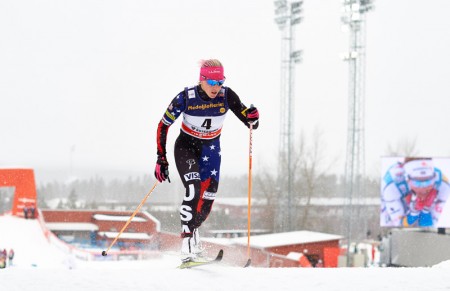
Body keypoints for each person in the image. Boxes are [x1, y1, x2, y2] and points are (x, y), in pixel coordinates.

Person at [154, 59, 259, 263]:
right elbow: (162, 125)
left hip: (210, 151)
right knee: (193, 188)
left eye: (219, 82)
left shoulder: (227, 95)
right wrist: (161, 158)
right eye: (211, 82)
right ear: (201, 80)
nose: (216, 87)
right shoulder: (185, 98)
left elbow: (249, 120)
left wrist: (254, 117)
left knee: (206, 201)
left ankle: (194, 236)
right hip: (186, 148)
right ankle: (186, 246)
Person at [381, 157, 450, 227]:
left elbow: (429, 226)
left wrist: (425, 209)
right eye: (417, 183)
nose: (423, 188)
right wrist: (414, 211)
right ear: (407, 179)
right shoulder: (391, 187)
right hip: (398, 194)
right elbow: (399, 225)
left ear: (434, 178)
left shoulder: (443, 186)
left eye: (428, 181)